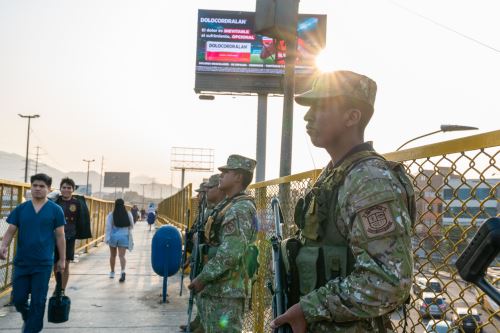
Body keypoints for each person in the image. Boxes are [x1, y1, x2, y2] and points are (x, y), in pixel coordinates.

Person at [270, 70, 416, 333]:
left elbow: (389, 282)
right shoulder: (334, 175)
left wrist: (309, 308)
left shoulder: (368, 180)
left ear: (352, 116)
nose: (308, 115)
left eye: (321, 106)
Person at [189, 155, 258, 333]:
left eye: (226, 172)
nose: (221, 175)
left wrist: (203, 278)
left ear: (238, 177)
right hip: (216, 291)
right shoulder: (228, 205)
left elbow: (230, 254)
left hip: (226, 295)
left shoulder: (240, 209)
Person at [0, 173, 66, 333]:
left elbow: (60, 235)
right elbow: (10, 231)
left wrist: (62, 259)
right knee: (19, 299)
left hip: (43, 264)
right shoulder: (21, 209)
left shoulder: (55, 210)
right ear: (31, 187)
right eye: (35, 185)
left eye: (42, 186)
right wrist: (3, 245)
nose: (38, 188)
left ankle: (31, 328)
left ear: (49, 189)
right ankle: (30, 319)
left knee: (38, 301)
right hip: (22, 262)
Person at [180, 174, 226, 333]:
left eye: (207, 190)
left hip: (217, 271)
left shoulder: (225, 210)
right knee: (202, 301)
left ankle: (201, 325)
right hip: (205, 262)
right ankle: (199, 324)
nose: (203, 195)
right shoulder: (210, 211)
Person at [51, 177, 92, 296]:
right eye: (64, 187)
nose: (66, 190)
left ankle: (62, 290)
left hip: (69, 237)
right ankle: (58, 287)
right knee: (55, 264)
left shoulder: (77, 203)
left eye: (69, 188)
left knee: (65, 264)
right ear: (60, 189)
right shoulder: (55, 201)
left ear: (73, 189)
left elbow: (83, 219)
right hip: (54, 237)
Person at [105, 198, 134, 282]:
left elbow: (108, 228)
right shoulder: (128, 214)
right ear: (123, 205)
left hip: (113, 237)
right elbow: (132, 225)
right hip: (124, 237)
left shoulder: (111, 214)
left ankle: (112, 272)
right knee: (122, 256)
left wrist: (107, 238)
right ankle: (122, 272)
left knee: (113, 255)